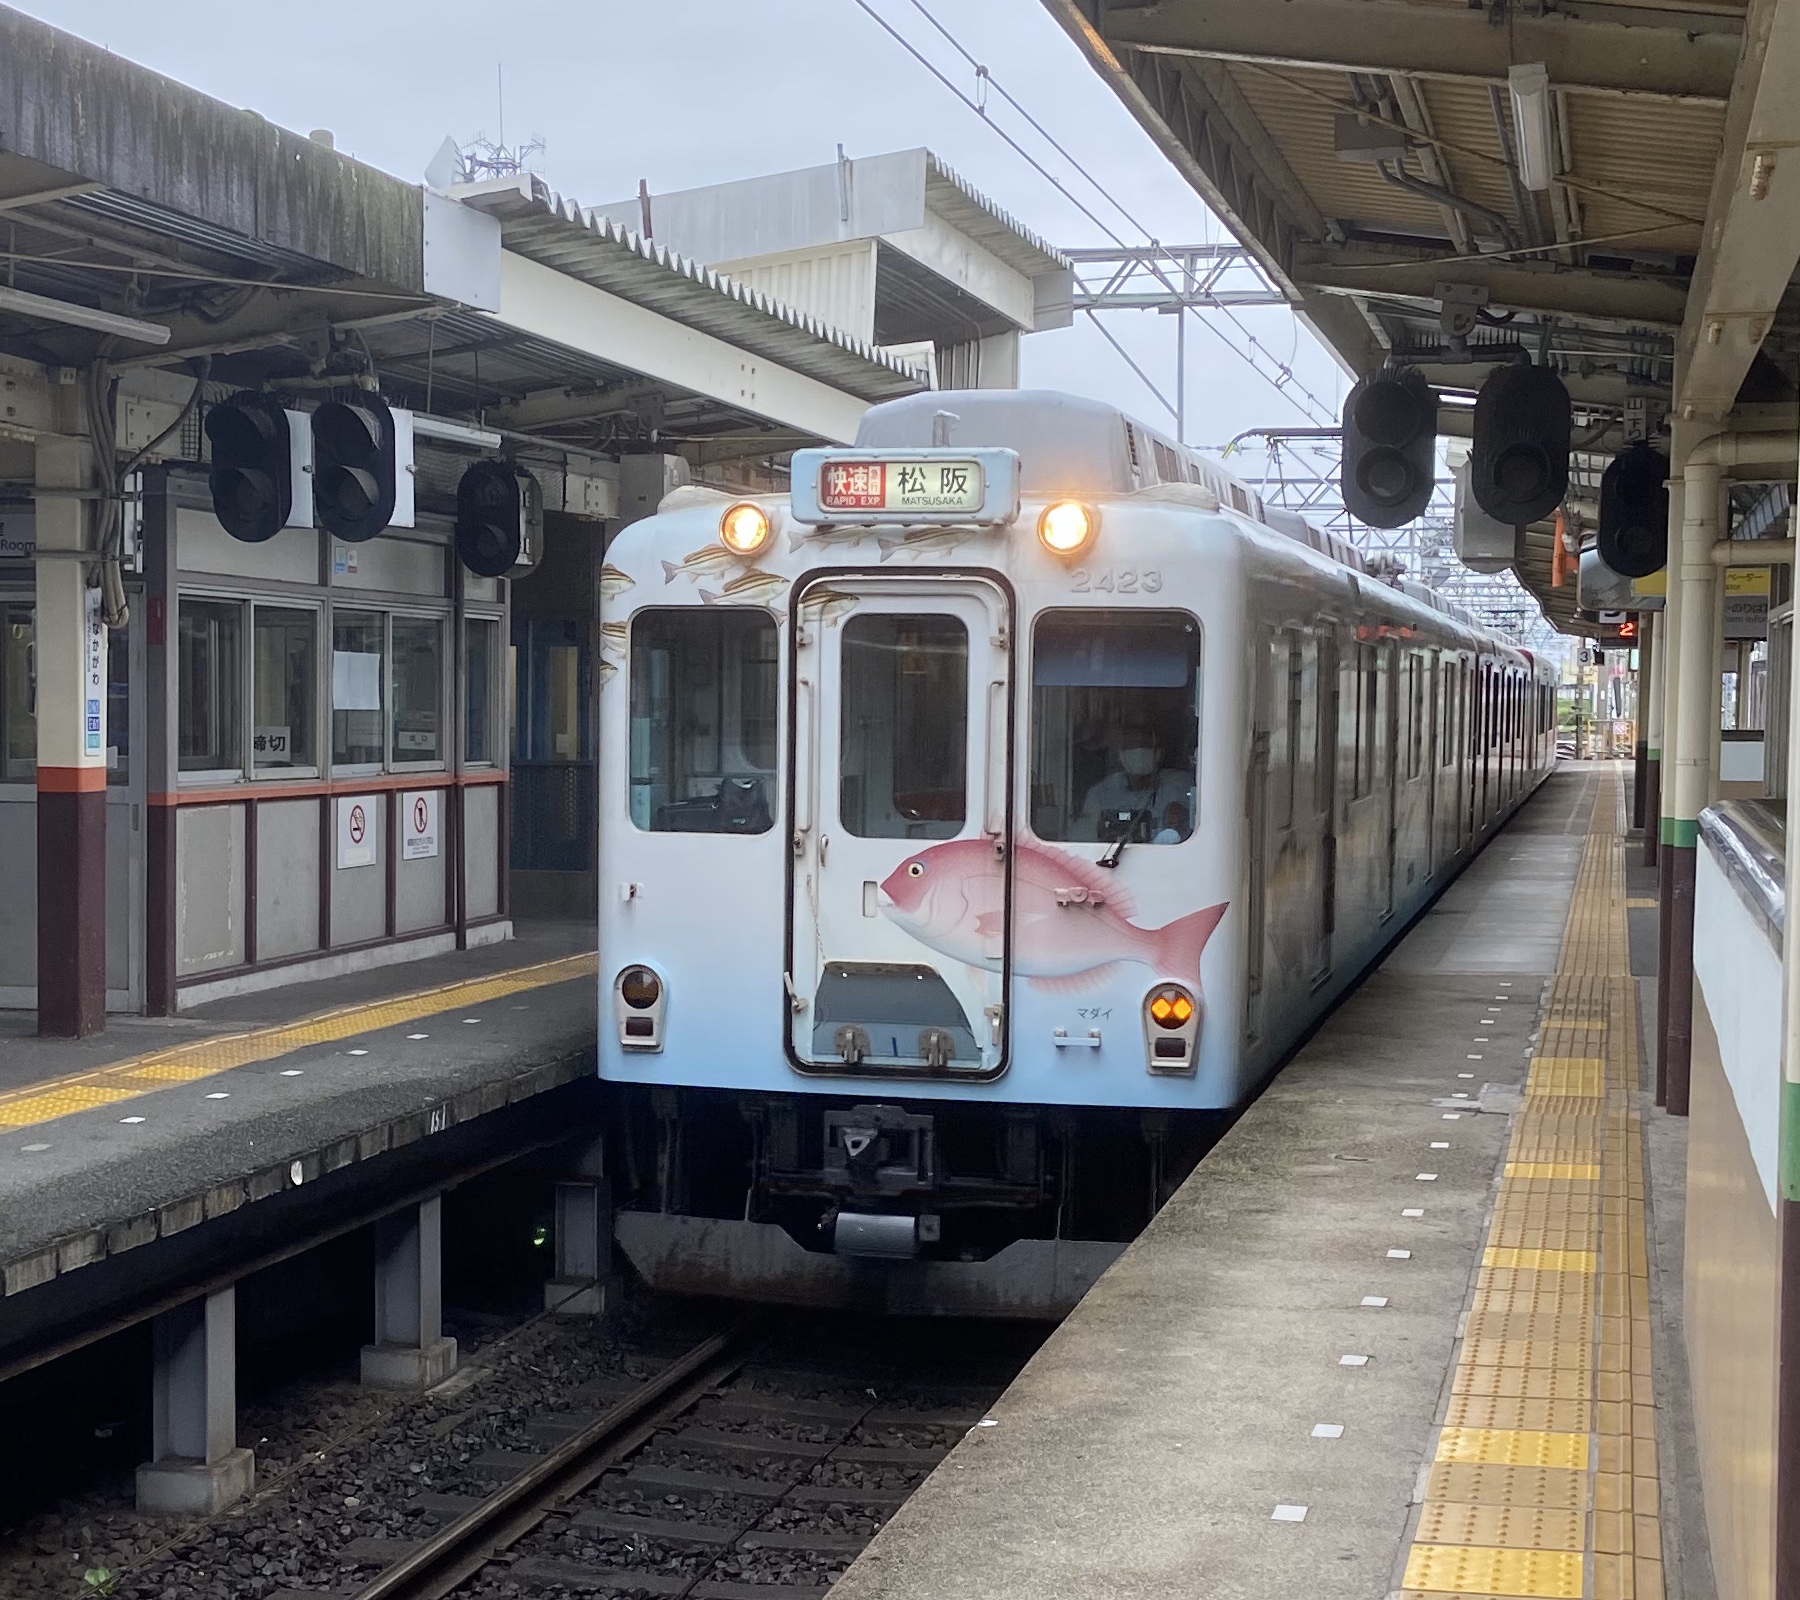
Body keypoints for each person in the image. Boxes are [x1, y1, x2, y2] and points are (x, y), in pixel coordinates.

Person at [1075, 718, 1194, 843]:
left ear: (1159, 753)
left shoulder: (1180, 785)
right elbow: (1082, 838)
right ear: (1121, 753)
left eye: (1145, 745)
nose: (1138, 751)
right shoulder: (1100, 793)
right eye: (1131, 746)